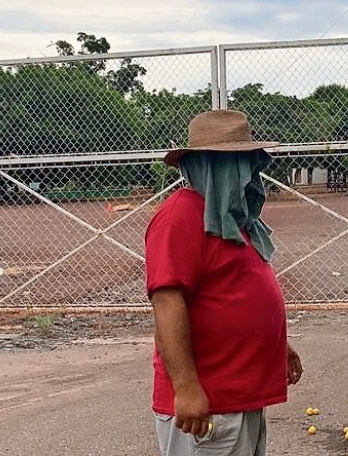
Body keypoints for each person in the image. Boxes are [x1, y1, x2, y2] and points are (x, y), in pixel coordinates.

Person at [145, 109, 302, 456]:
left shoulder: (232, 219)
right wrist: (186, 388)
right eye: (239, 163)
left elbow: (238, 293)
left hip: (239, 395)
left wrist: (279, 348)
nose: (249, 173)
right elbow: (167, 301)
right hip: (208, 403)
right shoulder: (181, 216)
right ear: (208, 166)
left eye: (250, 162)